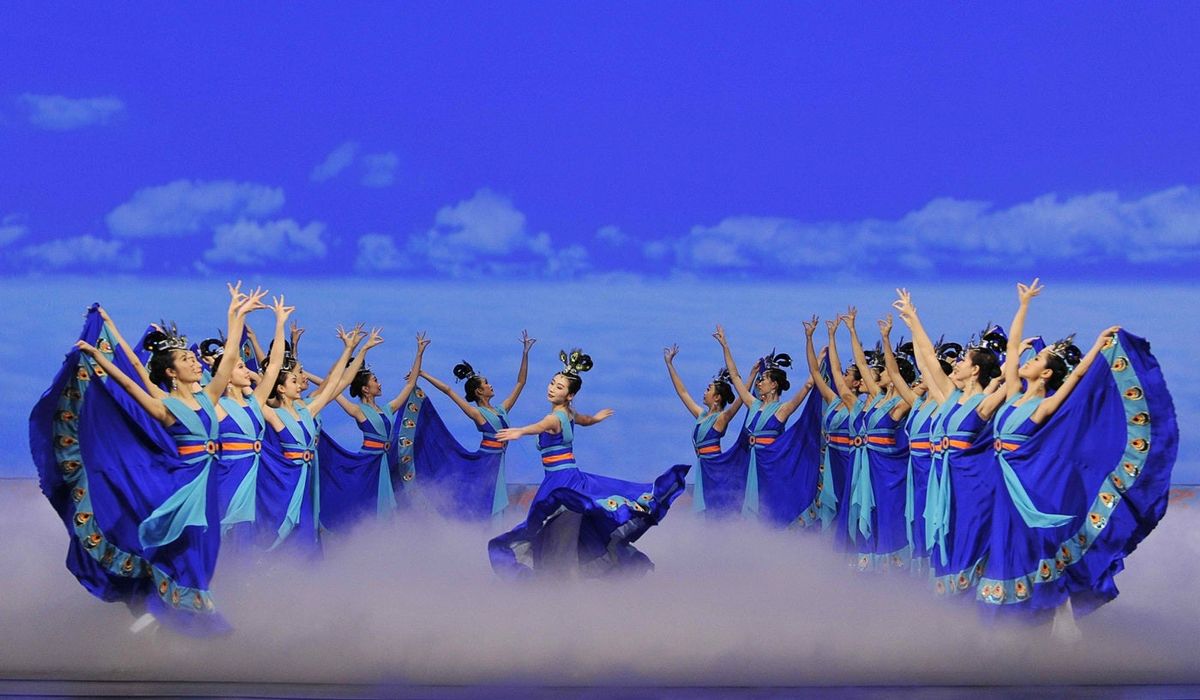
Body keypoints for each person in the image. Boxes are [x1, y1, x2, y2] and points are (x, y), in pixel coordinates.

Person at [40, 283, 265, 635]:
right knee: (184, 553)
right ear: (171, 372)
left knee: (205, 554)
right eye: (186, 360)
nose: (194, 362)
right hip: (180, 485)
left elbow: (231, 355)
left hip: (207, 486)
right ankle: (175, 618)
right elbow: (132, 380)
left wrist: (235, 313)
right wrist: (100, 352)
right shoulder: (164, 405)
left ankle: (170, 614)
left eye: (193, 358)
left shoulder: (210, 395)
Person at [975, 279, 1178, 629]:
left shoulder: (1044, 405)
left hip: (1030, 488)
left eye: (1036, 359)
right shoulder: (1011, 395)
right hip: (1002, 486)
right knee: (1004, 549)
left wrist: (1099, 344)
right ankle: (1007, 625)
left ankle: (1050, 617)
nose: (1027, 360)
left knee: (1035, 550)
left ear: (1046, 373)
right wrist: (1023, 305)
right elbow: (1011, 349)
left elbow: (1079, 375)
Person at [487, 349, 690, 578]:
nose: (552, 388)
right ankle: (565, 576)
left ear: (569, 395)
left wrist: (521, 431)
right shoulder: (569, 414)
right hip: (568, 479)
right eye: (552, 383)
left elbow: (541, 426)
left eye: (559, 387)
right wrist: (596, 418)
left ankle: (559, 578)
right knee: (567, 532)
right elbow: (584, 420)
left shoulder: (554, 418)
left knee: (551, 532)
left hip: (561, 482)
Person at [415, 330, 536, 520]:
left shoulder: (502, 409)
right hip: (486, 463)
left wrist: (525, 353)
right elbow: (448, 390)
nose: (490, 385)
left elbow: (521, 382)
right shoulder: (478, 414)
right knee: (486, 504)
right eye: (486, 383)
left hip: (497, 462)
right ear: (479, 391)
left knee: (495, 504)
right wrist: (421, 373)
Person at [714, 326, 820, 526]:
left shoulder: (783, 409)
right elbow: (735, 377)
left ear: (774, 385)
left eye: (763, 380)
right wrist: (725, 345)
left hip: (771, 466)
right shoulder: (753, 404)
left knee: (770, 511)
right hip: (752, 462)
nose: (759, 383)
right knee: (749, 510)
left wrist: (810, 341)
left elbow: (808, 385)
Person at [663, 343, 748, 517]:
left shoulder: (721, 419)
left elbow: (741, 400)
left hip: (715, 467)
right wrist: (670, 365)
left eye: (708, 390)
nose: (704, 392)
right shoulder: (701, 415)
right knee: (705, 510)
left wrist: (752, 376)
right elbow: (683, 393)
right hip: (703, 466)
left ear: (717, 397)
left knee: (716, 508)